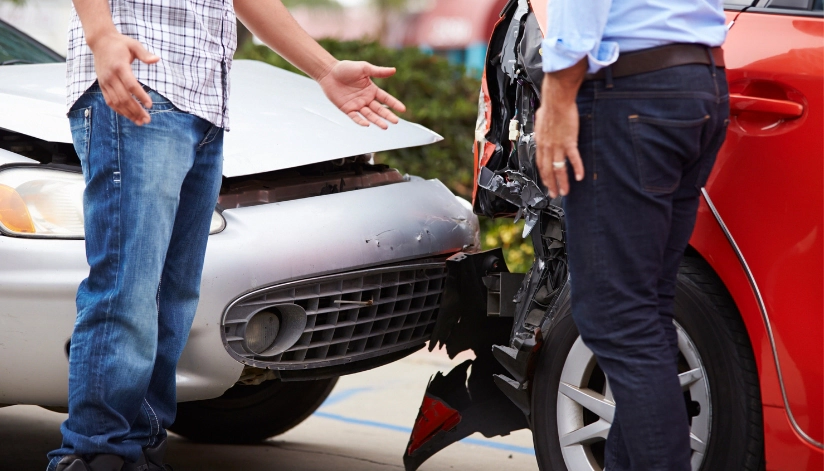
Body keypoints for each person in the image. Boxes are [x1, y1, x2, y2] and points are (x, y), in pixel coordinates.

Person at [48, 1, 405, 470]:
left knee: (171, 301)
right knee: (127, 292)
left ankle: (138, 452)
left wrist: (326, 70)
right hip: (137, 87)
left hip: (202, 108)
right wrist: (101, 35)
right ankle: (96, 455)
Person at [534, 1, 729, 470]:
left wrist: (557, 96)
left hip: (633, 92)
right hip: (696, 82)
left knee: (617, 318)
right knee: (645, 314)